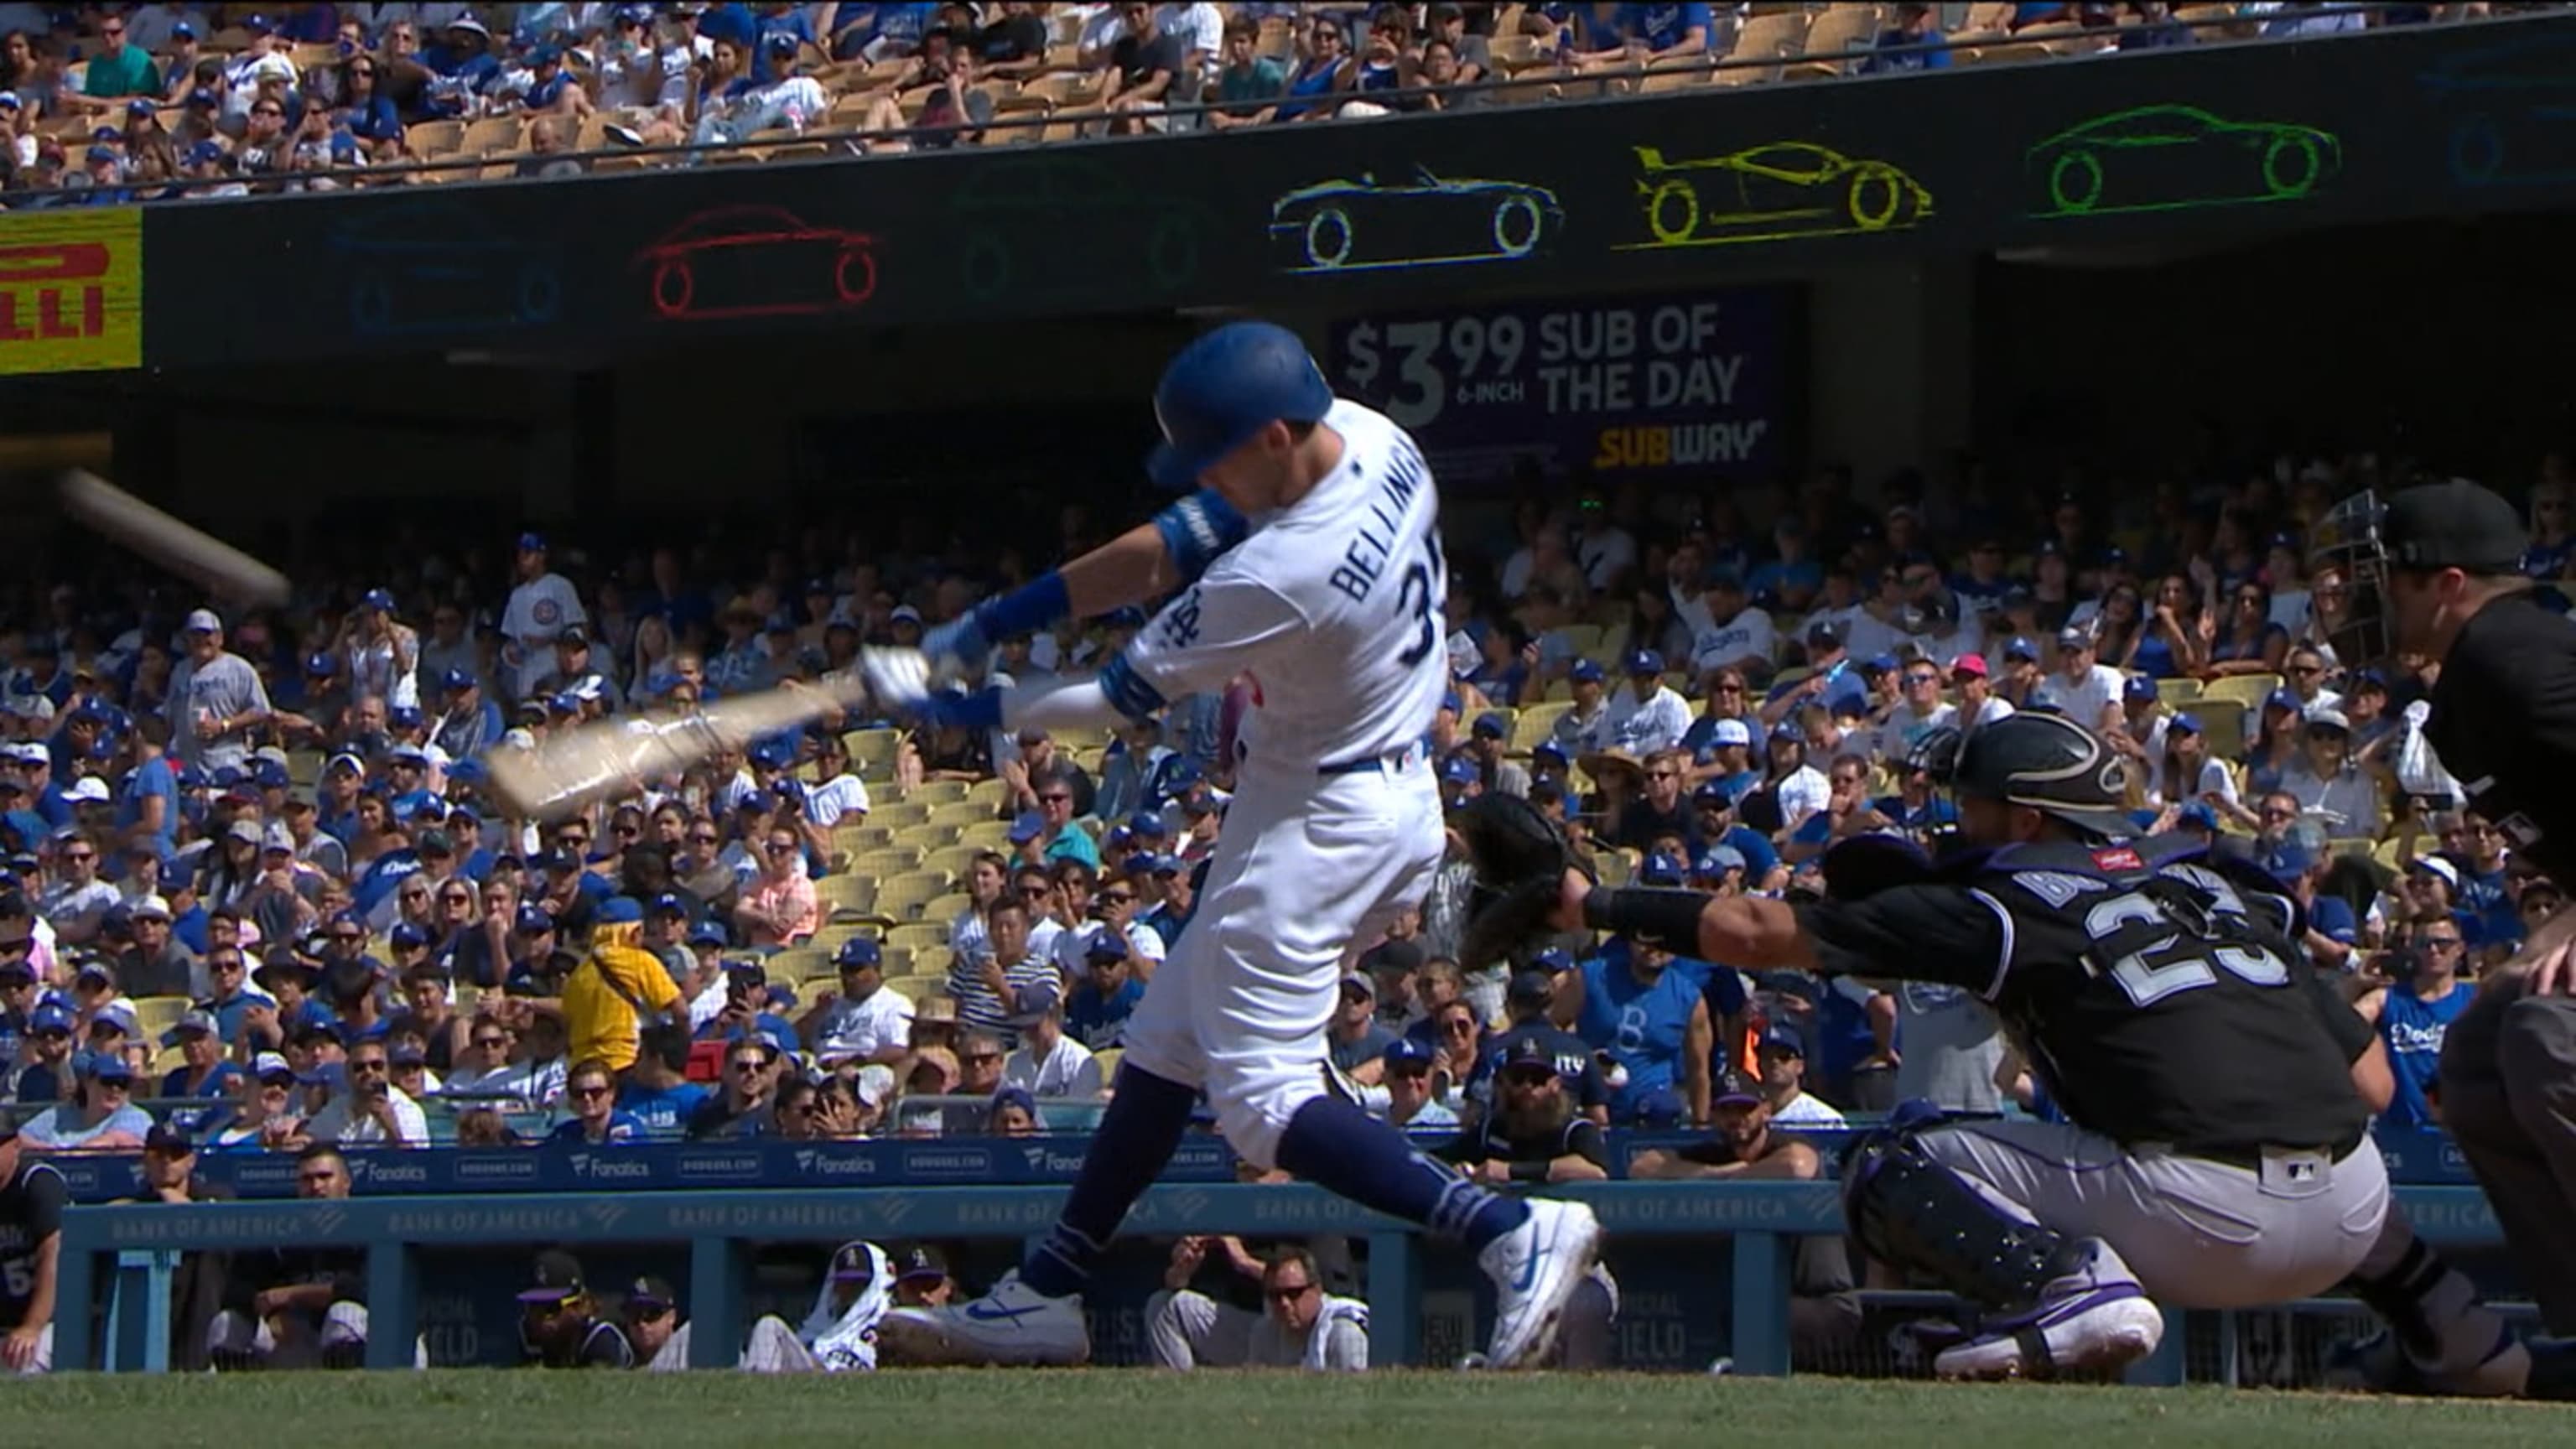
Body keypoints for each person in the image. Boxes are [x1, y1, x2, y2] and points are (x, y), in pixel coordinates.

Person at [871, 321, 1597, 1371]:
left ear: (1267, 435)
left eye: (1214, 452)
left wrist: (967, 694)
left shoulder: (1284, 573)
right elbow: (1175, 538)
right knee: (1167, 1038)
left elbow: (1114, 699)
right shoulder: (1369, 433)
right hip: (1365, 787)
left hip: (1318, 823)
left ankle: (1508, 1231)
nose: (1201, 476)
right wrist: (994, 617)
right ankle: (1050, 1287)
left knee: (1261, 1105)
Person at [1477, 713, 2404, 1380]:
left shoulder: (2005, 895)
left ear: (2028, 819)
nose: (1961, 822)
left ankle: (2066, 1285)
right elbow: (2372, 1085)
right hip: (2355, 1222)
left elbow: (1757, 931)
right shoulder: (2209, 883)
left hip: (2201, 1221)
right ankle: (2458, 1337)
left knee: (1894, 1157)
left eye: (1976, 805)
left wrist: (1590, 903)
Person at [2317, 479, 2576, 1348]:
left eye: (2385, 579)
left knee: (2545, 1041)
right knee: (2475, 1057)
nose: (2359, 599)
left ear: (2450, 584)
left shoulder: (2517, 655)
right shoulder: (2473, 676)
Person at [0, 1124, 63, 1374]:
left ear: (16, 1145)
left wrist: (32, 1326)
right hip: (6, 1324)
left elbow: (54, 1255)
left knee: (24, 1364)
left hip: (50, 1323)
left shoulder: (36, 1182)